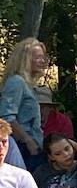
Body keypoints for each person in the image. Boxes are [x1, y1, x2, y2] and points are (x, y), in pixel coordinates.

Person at [2, 37, 48, 170]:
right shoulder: (16, 82)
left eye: (43, 57)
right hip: (22, 148)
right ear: (25, 59)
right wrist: (28, 141)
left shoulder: (28, 85)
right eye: (38, 57)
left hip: (32, 145)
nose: (42, 61)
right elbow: (7, 117)